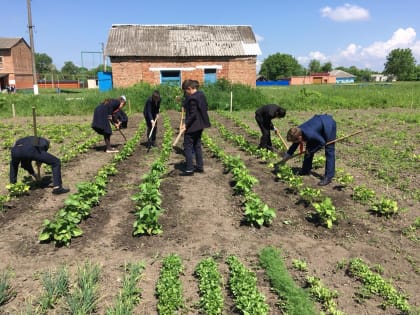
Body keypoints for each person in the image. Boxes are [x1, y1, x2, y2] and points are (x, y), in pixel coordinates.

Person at [281, 114, 337, 186]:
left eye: (296, 141)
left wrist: (311, 151)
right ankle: (305, 170)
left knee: (329, 150)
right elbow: (295, 143)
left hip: (329, 125)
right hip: (317, 125)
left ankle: (328, 177)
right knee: (309, 148)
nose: (295, 143)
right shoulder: (297, 131)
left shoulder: (310, 134)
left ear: (300, 137)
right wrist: (287, 155)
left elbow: (322, 142)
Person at [180, 79, 211, 176]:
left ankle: (189, 169)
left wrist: (185, 124)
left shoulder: (192, 98)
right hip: (201, 125)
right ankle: (199, 166)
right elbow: (205, 106)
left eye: (186, 91)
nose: (186, 93)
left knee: (188, 146)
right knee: (197, 145)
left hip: (193, 125)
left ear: (189, 89)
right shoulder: (201, 95)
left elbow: (192, 114)